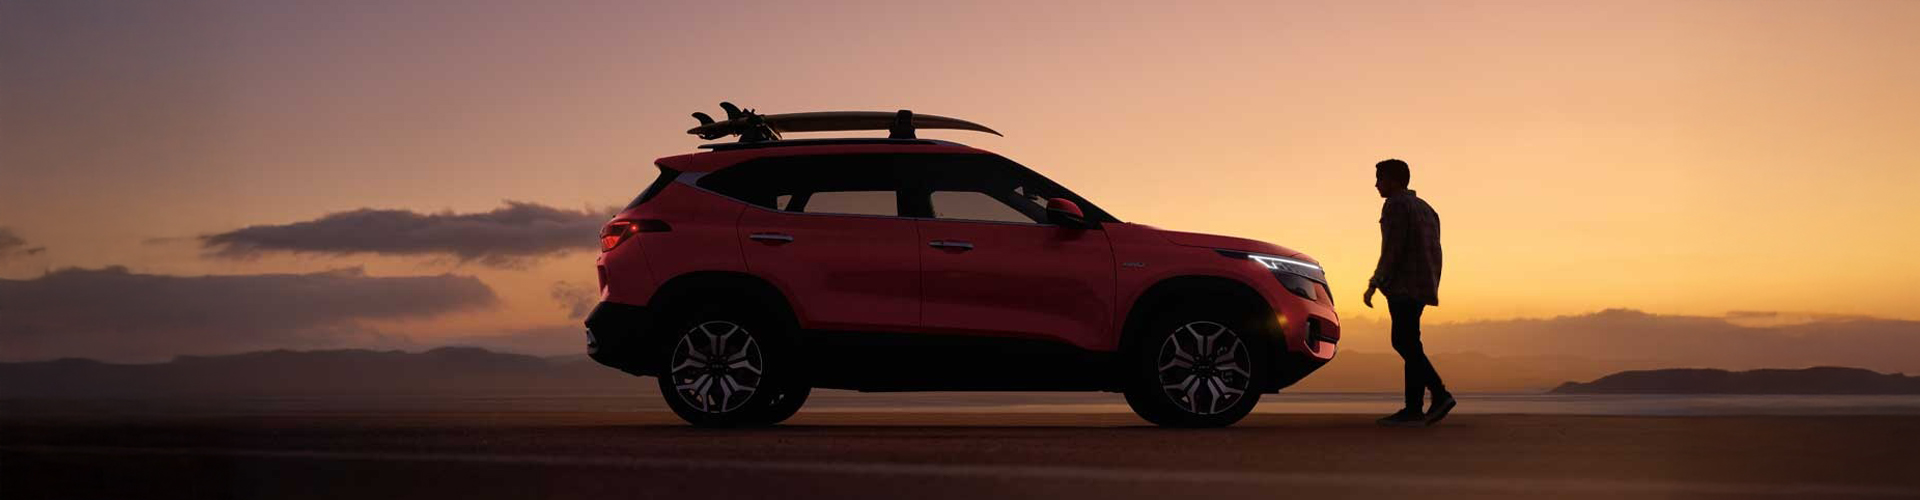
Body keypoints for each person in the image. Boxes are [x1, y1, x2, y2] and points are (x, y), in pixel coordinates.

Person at [1364, 159, 1455, 427]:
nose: (1376, 184)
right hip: (1423, 284)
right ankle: (1413, 408)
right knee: (1411, 342)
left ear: (1393, 179)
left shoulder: (1396, 205)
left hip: (1403, 285)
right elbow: (1436, 251)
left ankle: (1439, 394)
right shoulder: (1427, 208)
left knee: (1402, 342)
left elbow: (1393, 248)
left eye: (1379, 178)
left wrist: (1375, 281)